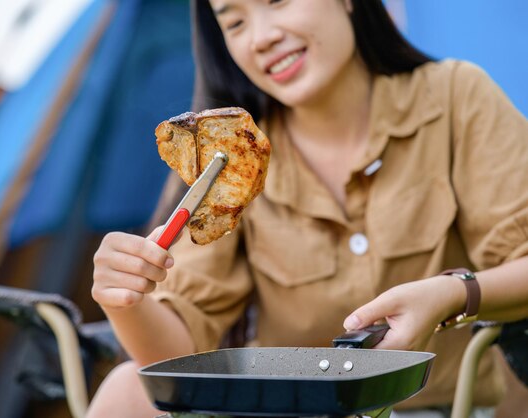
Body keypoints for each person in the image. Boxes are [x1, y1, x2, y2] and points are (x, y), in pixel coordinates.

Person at [86, 1, 528, 417]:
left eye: (278, 0)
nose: (259, 38)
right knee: (128, 387)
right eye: (234, 22)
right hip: (285, 408)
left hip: (429, 409)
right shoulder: (229, 153)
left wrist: (454, 294)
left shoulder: (455, 97)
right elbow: (175, 360)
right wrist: (126, 299)